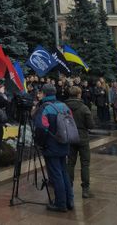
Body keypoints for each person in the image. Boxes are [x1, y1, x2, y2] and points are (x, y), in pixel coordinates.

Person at [33, 84, 74, 213]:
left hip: (51, 146)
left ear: (44, 94)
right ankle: (70, 201)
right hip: (64, 143)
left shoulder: (45, 107)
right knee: (64, 172)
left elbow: (41, 128)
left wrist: (40, 143)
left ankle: (60, 203)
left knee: (56, 174)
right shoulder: (64, 106)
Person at [66, 85, 94, 198]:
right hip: (82, 137)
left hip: (70, 136)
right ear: (79, 95)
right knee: (85, 164)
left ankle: (69, 187)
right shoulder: (84, 108)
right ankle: (85, 189)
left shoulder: (64, 107)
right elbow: (91, 125)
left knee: (70, 163)